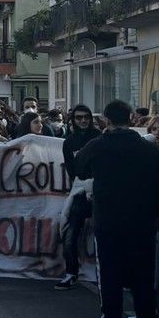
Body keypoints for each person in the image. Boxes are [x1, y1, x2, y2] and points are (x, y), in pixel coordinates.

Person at [74, 100, 159, 318]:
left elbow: (79, 169)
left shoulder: (98, 145)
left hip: (109, 219)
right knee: (143, 274)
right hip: (143, 219)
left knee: (110, 273)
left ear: (105, 119)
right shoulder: (148, 148)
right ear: (131, 119)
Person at [57, 105, 101, 291]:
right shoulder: (69, 142)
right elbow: (71, 170)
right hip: (80, 191)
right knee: (69, 234)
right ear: (73, 120)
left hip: (100, 192)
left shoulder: (99, 137)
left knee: (104, 236)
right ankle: (71, 272)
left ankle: (109, 275)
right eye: (79, 118)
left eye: (86, 117)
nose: (83, 121)